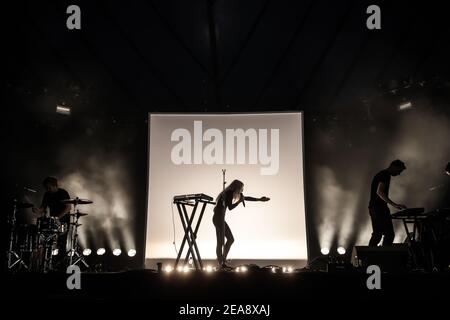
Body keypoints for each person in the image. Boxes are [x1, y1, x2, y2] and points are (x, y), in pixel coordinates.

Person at [212, 179, 270, 269]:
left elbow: (246, 198)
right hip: (218, 219)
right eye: (241, 189)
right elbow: (230, 207)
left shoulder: (230, 193)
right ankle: (221, 262)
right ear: (237, 187)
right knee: (225, 241)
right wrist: (239, 202)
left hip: (218, 219)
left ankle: (222, 262)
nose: (242, 191)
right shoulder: (229, 193)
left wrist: (259, 199)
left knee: (226, 240)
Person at [368, 160, 407, 247]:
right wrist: (395, 205)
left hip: (373, 208)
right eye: (399, 171)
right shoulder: (385, 175)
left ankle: (368, 258)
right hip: (379, 208)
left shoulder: (382, 174)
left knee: (377, 234)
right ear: (394, 167)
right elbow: (380, 192)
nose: (399, 174)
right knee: (389, 234)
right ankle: (384, 257)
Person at [32, 177, 71, 260]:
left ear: (55, 186)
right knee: (48, 241)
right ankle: (48, 262)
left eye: (49, 187)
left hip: (63, 221)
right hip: (52, 222)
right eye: (46, 188)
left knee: (61, 242)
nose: (48, 189)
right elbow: (43, 208)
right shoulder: (47, 194)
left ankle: (61, 265)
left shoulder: (63, 193)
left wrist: (57, 217)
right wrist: (37, 210)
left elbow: (68, 208)